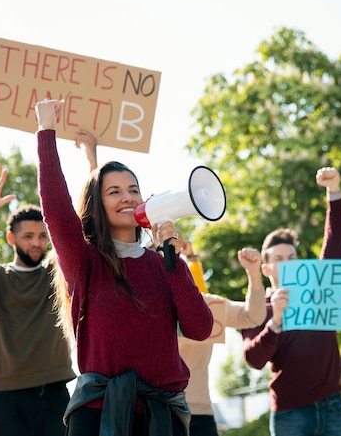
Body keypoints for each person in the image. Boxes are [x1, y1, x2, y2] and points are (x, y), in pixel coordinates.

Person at [34, 98, 214, 436]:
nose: (127, 197)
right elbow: (57, 212)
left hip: (162, 416)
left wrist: (175, 265)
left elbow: (200, 328)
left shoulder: (164, 264)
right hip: (99, 415)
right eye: (114, 191)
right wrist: (46, 132)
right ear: (98, 204)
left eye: (134, 189)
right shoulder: (85, 261)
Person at [0, 171, 76, 436]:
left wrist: (91, 158)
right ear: (11, 239)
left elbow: (80, 233)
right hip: (5, 398)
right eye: (28, 236)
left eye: (42, 236)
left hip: (54, 393)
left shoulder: (56, 274)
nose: (37, 242)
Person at [241, 166, 341, 436]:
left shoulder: (318, 290)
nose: (286, 263)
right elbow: (253, 358)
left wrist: (333, 191)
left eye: (291, 258)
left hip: (332, 405)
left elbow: (335, 244)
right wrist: (275, 322)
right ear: (266, 269)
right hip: (290, 413)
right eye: (278, 259)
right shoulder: (257, 306)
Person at [179, 241, 266, 436]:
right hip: (154, 412)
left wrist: (253, 272)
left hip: (200, 414)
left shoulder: (206, 303)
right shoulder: (138, 306)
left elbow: (252, 316)